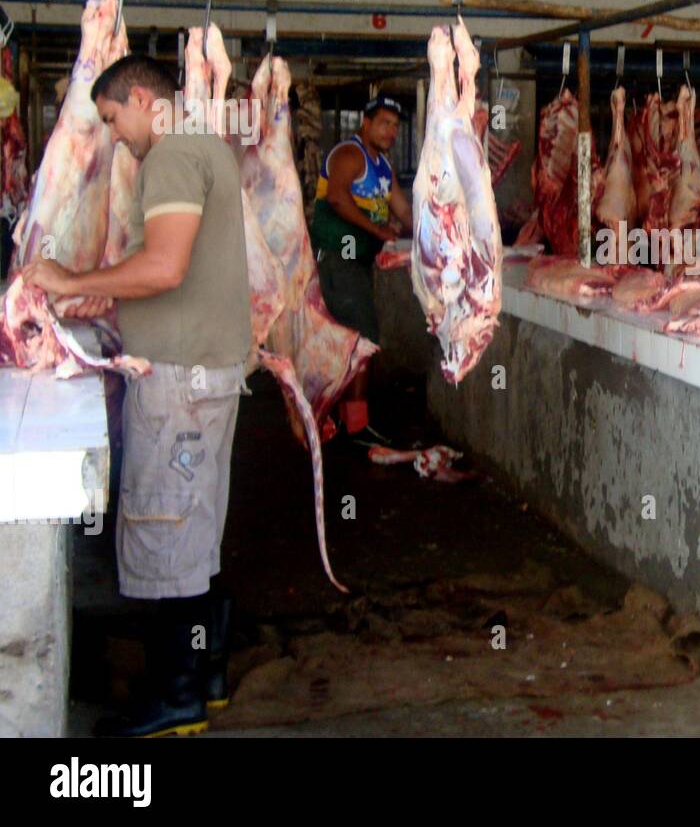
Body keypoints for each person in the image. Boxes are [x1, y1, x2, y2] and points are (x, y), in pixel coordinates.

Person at [23, 54, 252, 738]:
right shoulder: (207, 145)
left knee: (165, 535)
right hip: (207, 374)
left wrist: (66, 280)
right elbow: (173, 271)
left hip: (179, 382)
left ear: (144, 98)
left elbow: (165, 265)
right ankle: (205, 675)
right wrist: (108, 287)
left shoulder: (173, 157)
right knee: (195, 533)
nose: (115, 135)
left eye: (115, 118)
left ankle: (173, 698)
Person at [309, 95, 412, 443]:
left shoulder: (383, 166)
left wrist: (439, 234)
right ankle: (355, 426)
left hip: (358, 263)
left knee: (352, 339)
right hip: (339, 258)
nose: (392, 131)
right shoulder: (349, 154)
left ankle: (339, 419)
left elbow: (403, 211)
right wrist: (379, 231)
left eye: (396, 126)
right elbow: (337, 198)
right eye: (384, 123)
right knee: (363, 338)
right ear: (365, 123)